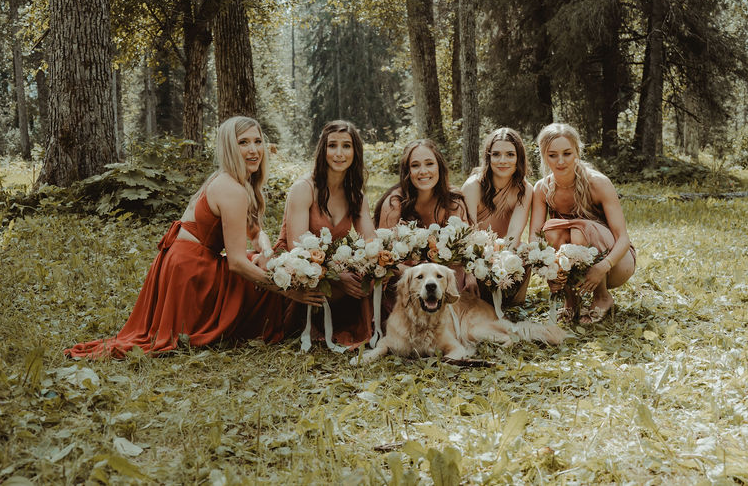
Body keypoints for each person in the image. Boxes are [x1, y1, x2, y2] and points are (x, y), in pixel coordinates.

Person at [66, 116, 322, 359]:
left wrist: (266, 254)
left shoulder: (236, 182)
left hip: (181, 262)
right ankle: (285, 327)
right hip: (191, 272)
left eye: (257, 141)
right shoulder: (232, 190)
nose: (253, 150)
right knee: (260, 283)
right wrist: (286, 291)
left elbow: (255, 233)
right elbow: (235, 263)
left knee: (262, 264)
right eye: (243, 143)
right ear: (229, 148)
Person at [272, 120, 377, 347]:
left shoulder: (356, 197)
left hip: (335, 274)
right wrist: (339, 276)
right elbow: (296, 248)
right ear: (323, 150)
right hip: (300, 274)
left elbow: (371, 243)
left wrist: (369, 266)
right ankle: (309, 321)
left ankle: (358, 321)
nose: (339, 153)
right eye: (332, 146)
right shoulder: (304, 188)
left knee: (371, 278)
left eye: (346, 146)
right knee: (319, 279)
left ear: (355, 152)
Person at [529, 123, 635, 324]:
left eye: (567, 153)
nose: (560, 161)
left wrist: (603, 266)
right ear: (544, 156)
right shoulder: (542, 188)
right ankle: (571, 301)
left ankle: (602, 297)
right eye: (552, 155)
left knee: (579, 229)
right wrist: (548, 266)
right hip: (576, 266)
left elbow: (623, 239)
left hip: (615, 264)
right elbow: (535, 236)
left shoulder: (598, 183)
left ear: (577, 151)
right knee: (551, 231)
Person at [373, 138, 474, 303]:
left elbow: (466, 247)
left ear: (439, 167)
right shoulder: (394, 203)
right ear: (407, 171)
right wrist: (414, 272)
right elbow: (382, 255)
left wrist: (471, 275)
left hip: (443, 275)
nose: (423, 171)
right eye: (415, 165)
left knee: (458, 271)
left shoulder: (452, 201)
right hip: (406, 274)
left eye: (429, 164)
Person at [462, 127, 534, 305]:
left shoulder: (525, 189)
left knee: (525, 251)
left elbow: (515, 232)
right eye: (496, 154)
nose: (503, 161)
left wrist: (500, 264)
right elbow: (465, 235)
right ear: (488, 157)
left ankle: (510, 301)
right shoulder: (473, 186)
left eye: (510, 154)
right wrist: (471, 271)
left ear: (519, 158)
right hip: (473, 255)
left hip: (503, 253)